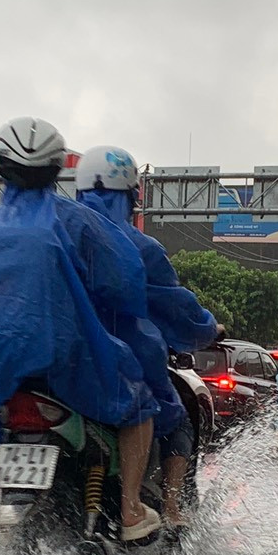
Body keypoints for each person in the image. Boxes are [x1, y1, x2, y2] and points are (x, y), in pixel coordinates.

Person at [0, 117, 161, 541]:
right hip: (69, 363)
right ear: (55, 168)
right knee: (141, 406)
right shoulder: (74, 221)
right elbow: (125, 280)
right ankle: (132, 508)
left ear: (1, 167)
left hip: (3, 375)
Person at [74, 144, 222, 527]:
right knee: (175, 418)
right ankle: (165, 510)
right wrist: (209, 328)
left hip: (55, 360)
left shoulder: (55, 232)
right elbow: (178, 309)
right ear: (131, 195)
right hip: (124, 364)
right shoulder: (139, 247)